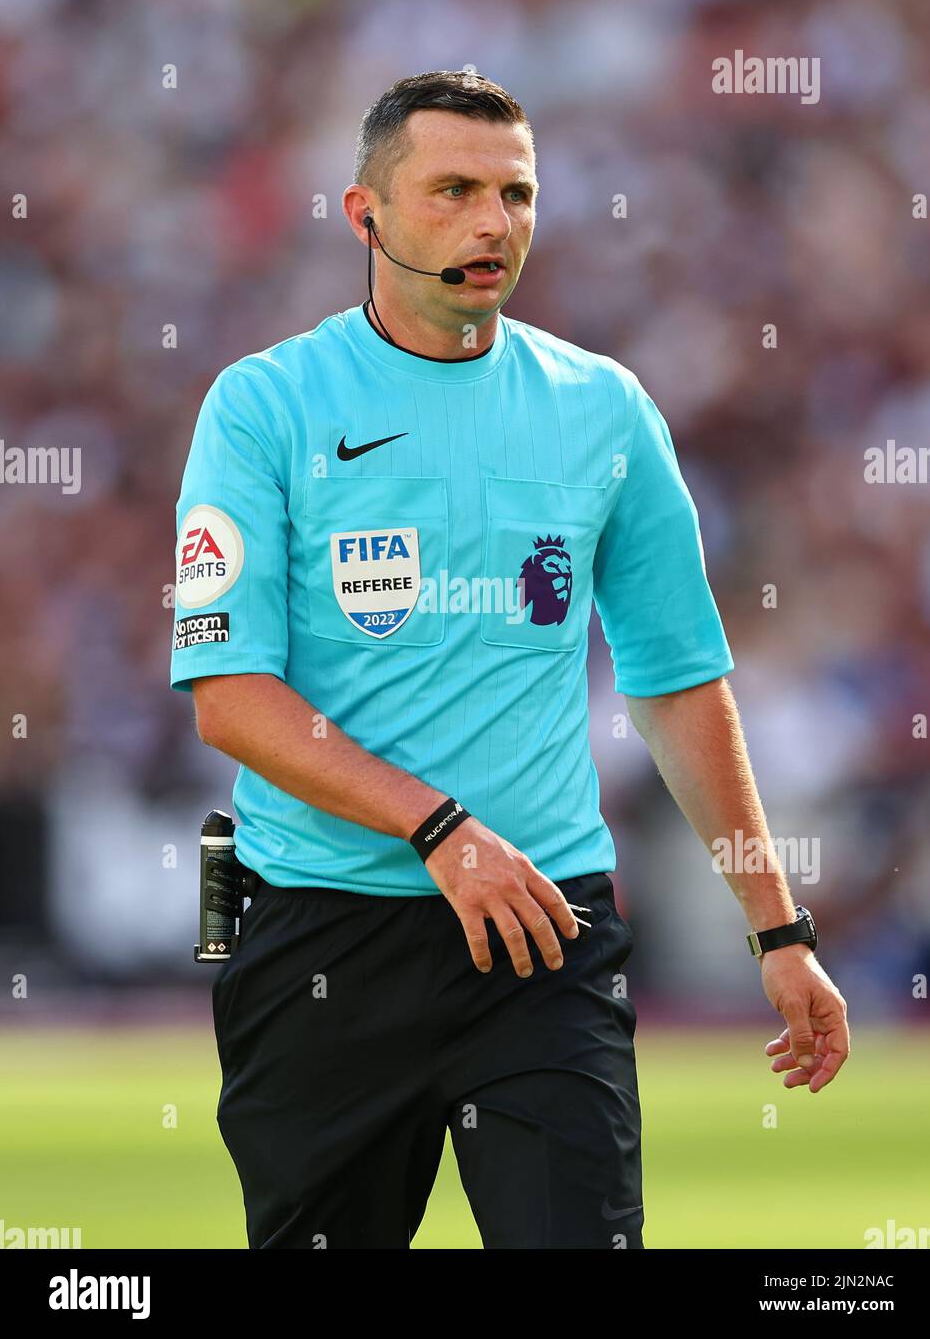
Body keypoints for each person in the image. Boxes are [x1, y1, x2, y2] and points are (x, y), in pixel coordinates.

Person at [170, 69, 850, 1250]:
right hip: (324, 936)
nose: (495, 223)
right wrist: (440, 828)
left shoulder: (606, 409)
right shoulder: (262, 407)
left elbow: (679, 682)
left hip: (543, 928)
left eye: (515, 193)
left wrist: (778, 930)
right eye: (454, 191)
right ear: (364, 213)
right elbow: (231, 701)